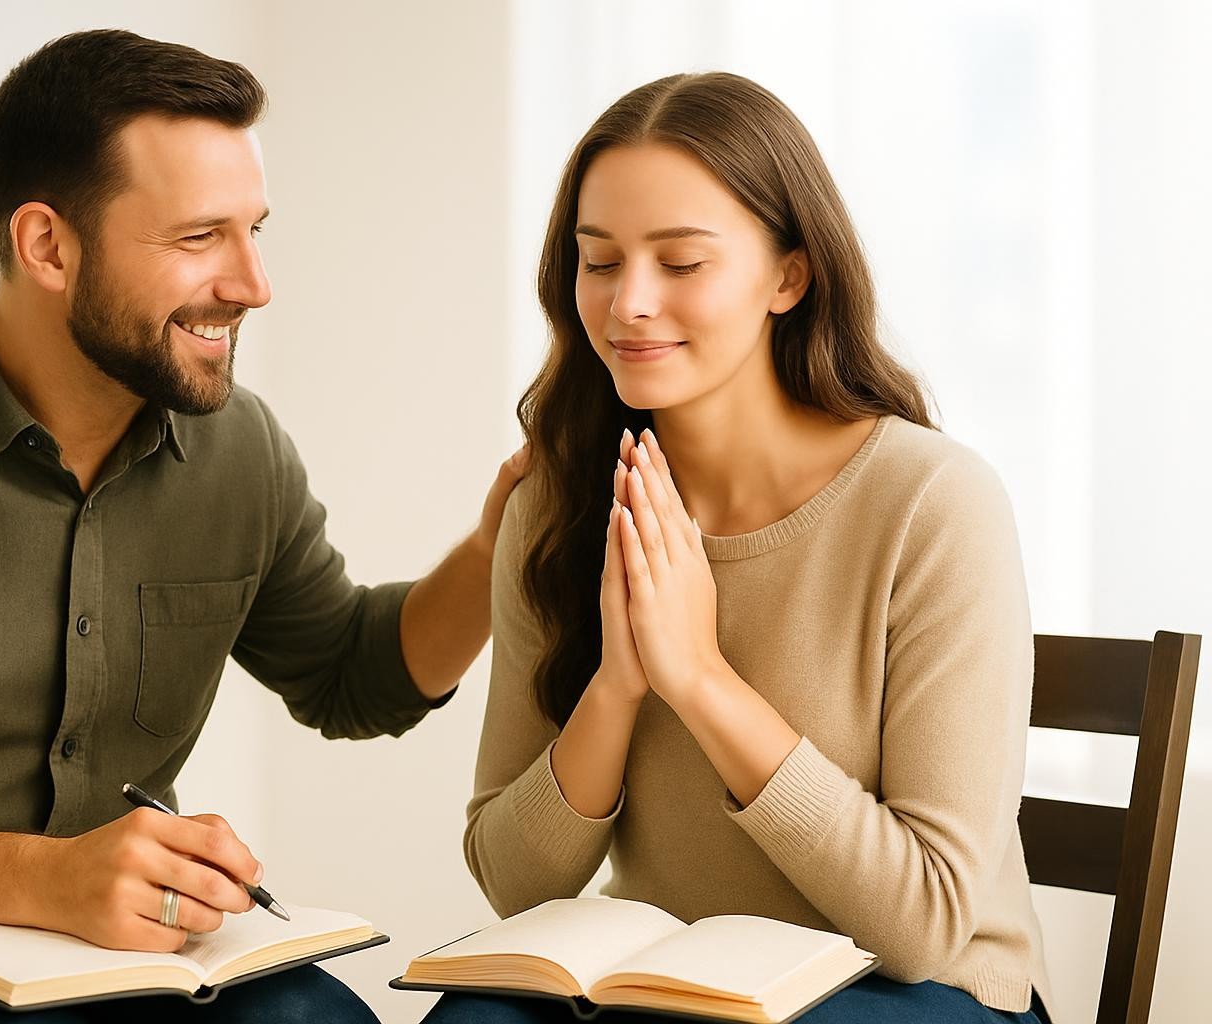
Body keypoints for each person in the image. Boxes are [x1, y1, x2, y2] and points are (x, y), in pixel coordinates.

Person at [0, 29, 524, 1024]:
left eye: (255, 229)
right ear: (47, 244)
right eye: (200, 237)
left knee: (321, 1021)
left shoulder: (236, 449)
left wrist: (502, 543)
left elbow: (352, 672)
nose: (254, 283)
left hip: (120, 963)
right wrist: (49, 881)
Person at [425, 72, 1052, 1024]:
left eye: (681, 264)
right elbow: (512, 883)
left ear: (788, 276)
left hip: (912, 991)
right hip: (677, 991)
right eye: (600, 262)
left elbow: (924, 924)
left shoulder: (932, 503)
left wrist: (701, 680)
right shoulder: (558, 504)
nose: (630, 302)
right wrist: (618, 685)